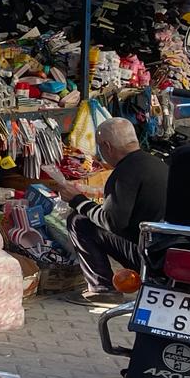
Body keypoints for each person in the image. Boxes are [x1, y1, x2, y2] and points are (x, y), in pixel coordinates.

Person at [61, 116, 168, 302]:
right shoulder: (157, 164)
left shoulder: (124, 172)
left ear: (107, 146)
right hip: (163, 249)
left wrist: (77, 201)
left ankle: (102, 288)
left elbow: (111, 222)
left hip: (148, 256)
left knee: (79, 221)